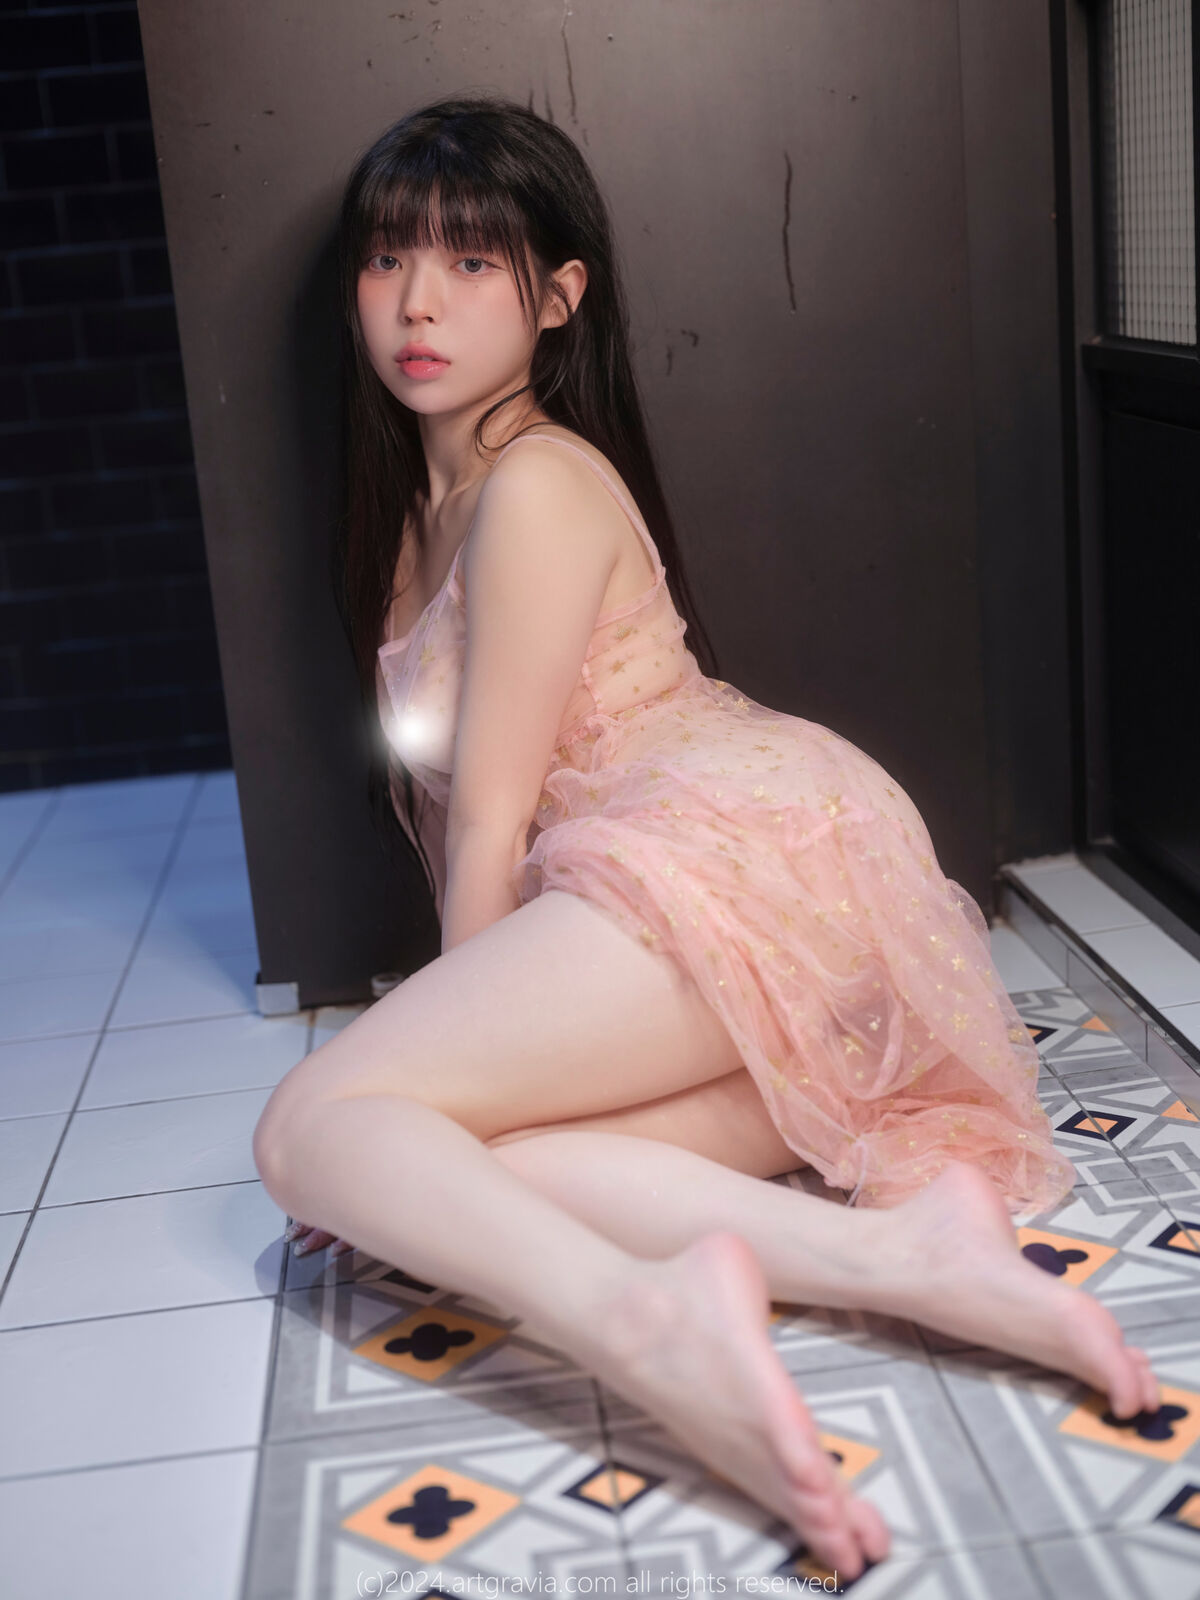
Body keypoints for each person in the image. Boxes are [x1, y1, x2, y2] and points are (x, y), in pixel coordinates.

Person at [253, 93, 1161, 1581]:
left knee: (310, 1132)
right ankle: (900, 1256)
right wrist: (436, 1111)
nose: (418, 303)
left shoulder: (537, 482)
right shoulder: (420, 513)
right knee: (480, 1165)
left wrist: (424, 1080)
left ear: (559, 299)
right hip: (702, 894)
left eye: (472, 263)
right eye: (387, 257)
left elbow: (490, 818)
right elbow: (452, 812)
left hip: (741, 853)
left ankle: (650, 1326)